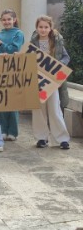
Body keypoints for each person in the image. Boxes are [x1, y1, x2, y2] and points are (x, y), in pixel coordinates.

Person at [30, 15, 70, 150]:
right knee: (38, 110)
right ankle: (41, 138)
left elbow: (66, 57)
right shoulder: (33, 42)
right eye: (40, 27)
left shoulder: (57, 41)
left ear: (50, 28)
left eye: (46, 27)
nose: (43, 29)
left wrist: (58, 65)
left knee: (54, 108)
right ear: (37, 28)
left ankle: (62, 139)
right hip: (37, 80)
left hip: (52, 80)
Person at [0, 9, 25, 141]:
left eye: (9, 19)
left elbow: (14, 49)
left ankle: (13, 131)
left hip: (13, 68)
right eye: (4, 20)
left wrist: (0, 44)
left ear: (14, 20)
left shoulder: (18, 33)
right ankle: (3, 129)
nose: (6, 22)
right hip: (0, 69)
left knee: (13, 101)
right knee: (1, 99)